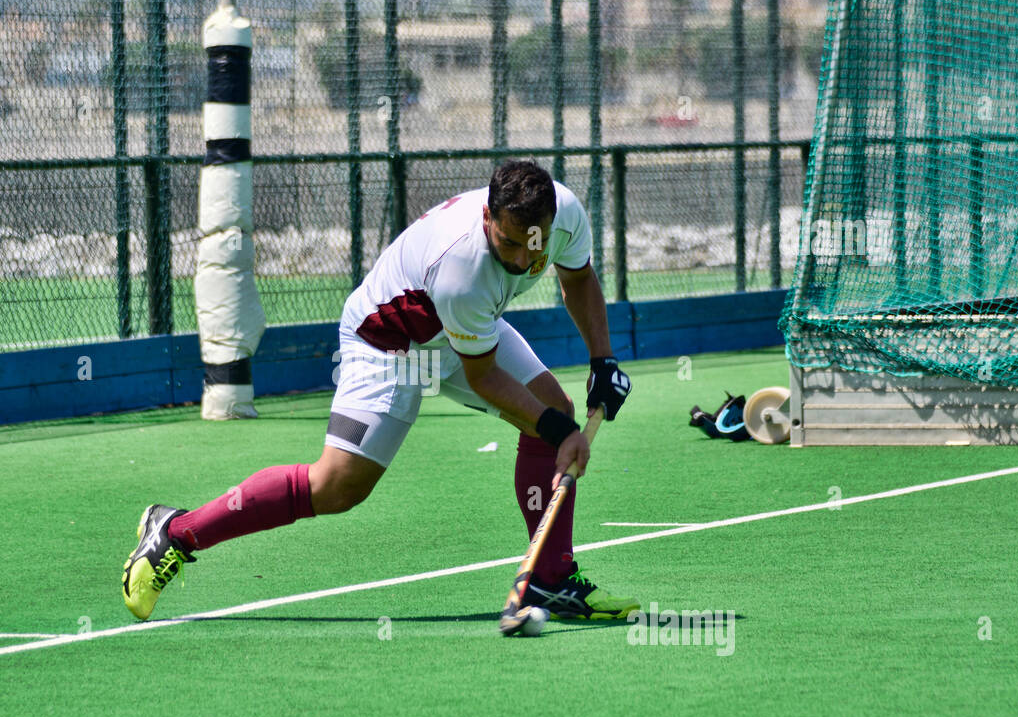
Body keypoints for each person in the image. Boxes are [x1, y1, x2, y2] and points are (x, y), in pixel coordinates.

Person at [121, 160, 637, 622]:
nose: (524, 262)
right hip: (387, 344)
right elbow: (484, 378)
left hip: (460, 331)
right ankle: (177, 531)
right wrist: (559, 430)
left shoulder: (561, 212)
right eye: (506, 245)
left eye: (534, 248)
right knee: (338, 486)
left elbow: (579, 278)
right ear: (487, 218)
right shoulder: (460, 267)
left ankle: (549, 580)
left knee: (553, 409)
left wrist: (602, 360)